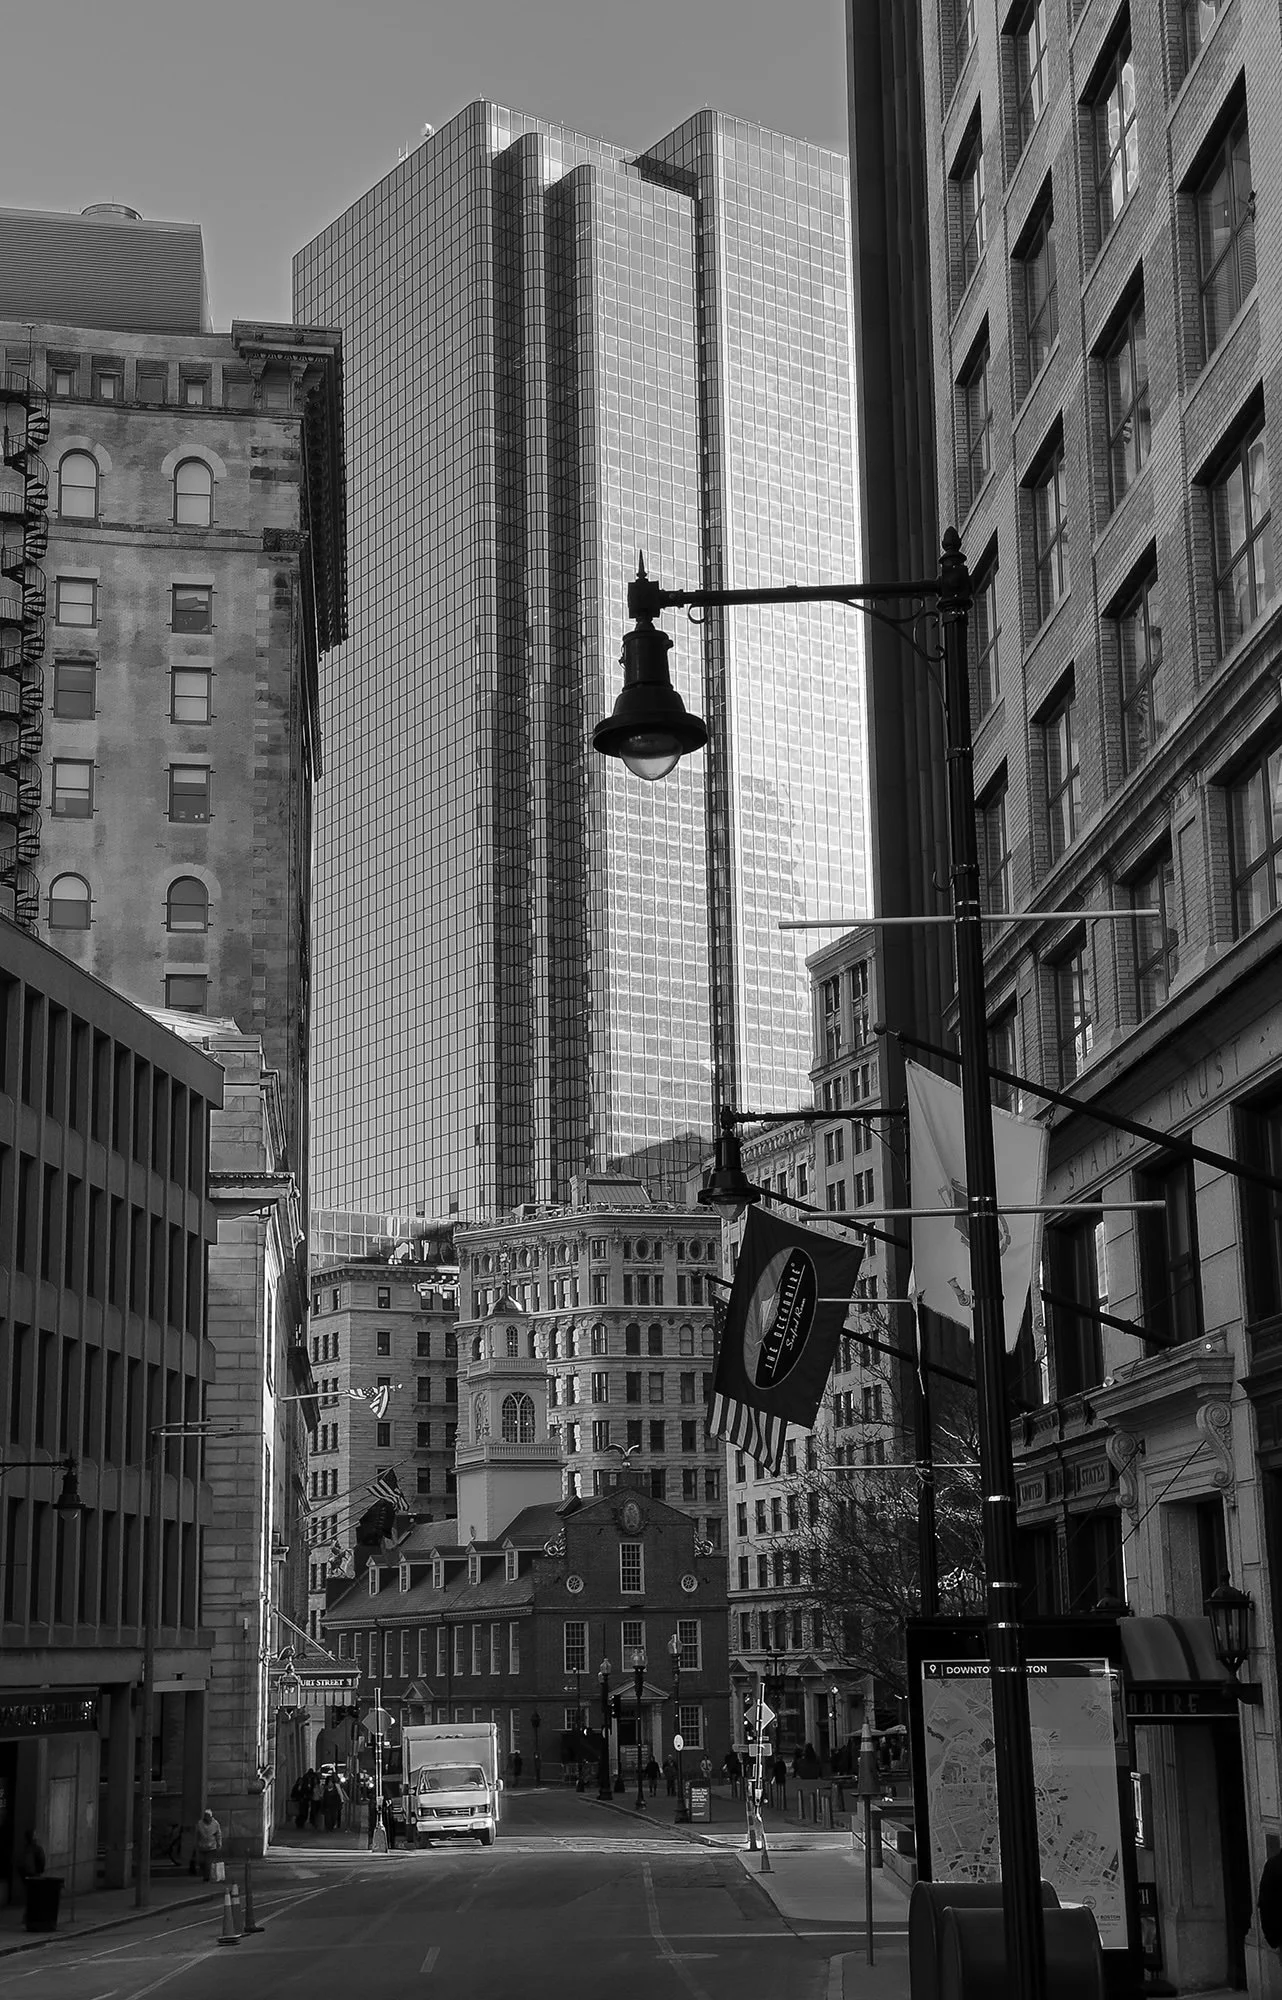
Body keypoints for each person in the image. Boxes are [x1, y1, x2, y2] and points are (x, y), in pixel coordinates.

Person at [194, 1808, 222, 1881]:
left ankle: (206, 1877)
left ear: (211, 1816)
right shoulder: (200, 1823)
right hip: (202, 1846)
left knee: (208, 1862)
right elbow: (197, 1834)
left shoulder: (215, 1823)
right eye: (206, 1816)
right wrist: (196, 1843)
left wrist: (219, 1843)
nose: (207, 1817)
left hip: (211, 1847)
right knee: (201, 1862)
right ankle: (205, 1873)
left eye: (208, 1816)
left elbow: (218, 1834)